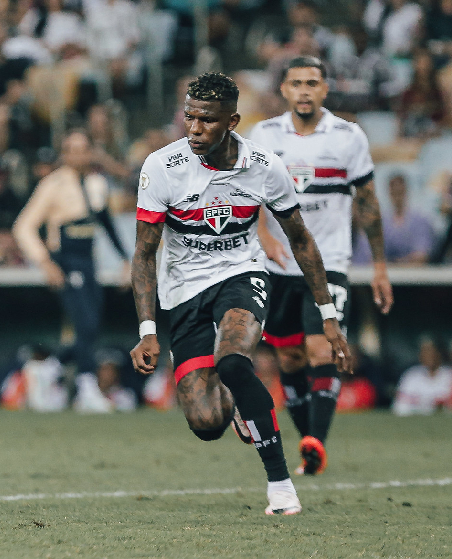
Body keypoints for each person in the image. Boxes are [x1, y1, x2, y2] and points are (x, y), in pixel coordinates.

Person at [130, 72, 352, 516]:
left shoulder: (265, 167)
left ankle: (281, 485)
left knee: (233, 360)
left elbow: (301, 240)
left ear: (231, 121)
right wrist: (148, 329)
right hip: (183, 288)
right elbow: (143, 255)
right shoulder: (161, 167)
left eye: (206, 121)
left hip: (241, 272)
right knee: (206, 423)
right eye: (190, 118)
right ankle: (234, 407)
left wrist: (327, 311)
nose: (194, 129)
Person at [249, 56, 393, 477]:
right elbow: (248, 190)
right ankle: (309, 443)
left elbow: (366, 202)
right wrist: (262, 233)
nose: (305, 91)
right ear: (285, 90)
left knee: (320, 347)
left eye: (312, 83)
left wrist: (380, 265)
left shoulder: (348, 137)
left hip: (329, 262)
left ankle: (316, 441)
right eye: (296, 83)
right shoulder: (265, 133)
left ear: (325, 89)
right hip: (278, 265)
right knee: (289, 357)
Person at [13, 129, 129, 401]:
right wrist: (45, 262)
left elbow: (106, 224)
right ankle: (86, 384)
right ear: (64, 154)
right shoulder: (53, 184)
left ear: (91, 152)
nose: (77, 156)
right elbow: (24, 226)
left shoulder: (97, 183)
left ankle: (49, 368)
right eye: (71, 150)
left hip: (89, 259)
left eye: (82, 149)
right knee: (84, 321)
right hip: (65, 258)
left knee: (93, 323)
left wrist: (125, 258)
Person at [392, 338, 452, 416]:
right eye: (425, 351)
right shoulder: (411, 375)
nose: (428, 355)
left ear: (439, 353)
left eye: (432, 351)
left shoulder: (449, 375)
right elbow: (399, 407)